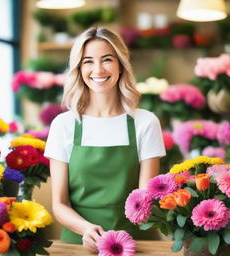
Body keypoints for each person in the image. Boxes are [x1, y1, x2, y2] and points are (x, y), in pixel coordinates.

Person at [44, 27, 166, 252]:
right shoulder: (64, 124)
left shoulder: (145, 122)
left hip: (138, 243)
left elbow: (145, 200)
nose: (98, 69)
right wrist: (86, 229)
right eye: (88, 61)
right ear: (79, 69)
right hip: (79, 243)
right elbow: (59, 204)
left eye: (107, 59)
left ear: (121, 65)